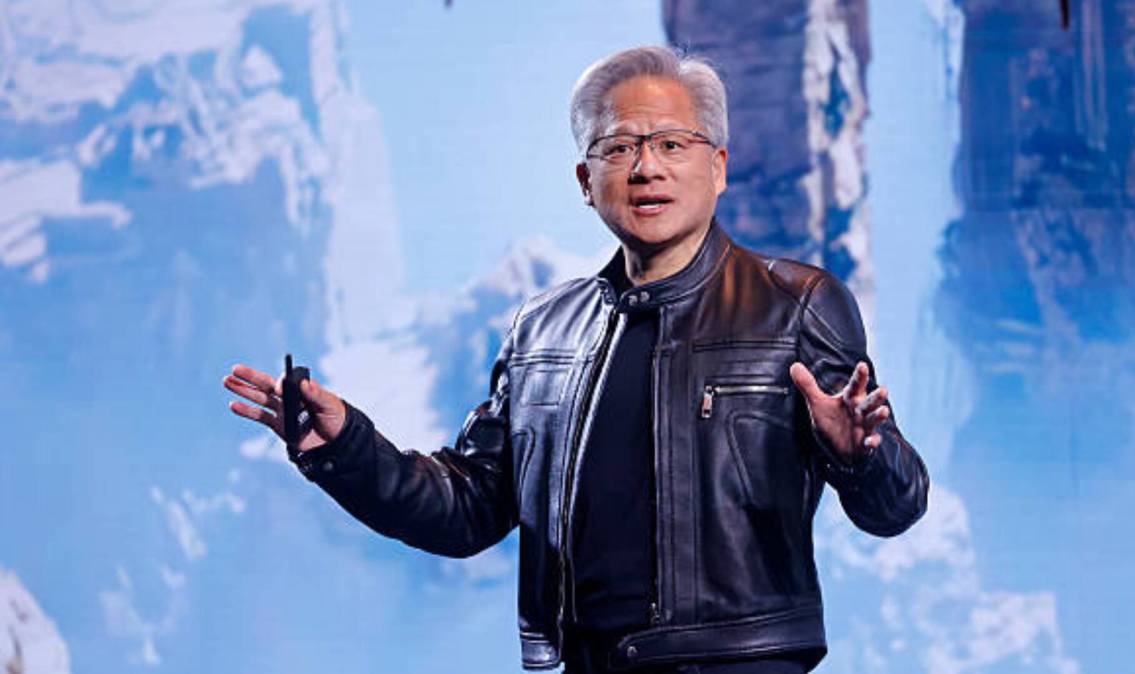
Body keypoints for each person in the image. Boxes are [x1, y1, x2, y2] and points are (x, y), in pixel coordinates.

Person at [223, 46, 928, 673]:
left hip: (738, 662)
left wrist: (857, 456)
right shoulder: (543, 331)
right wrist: (344, 447)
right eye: (619, 148)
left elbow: (898, 504)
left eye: (671, 143)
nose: (646, 167)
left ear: (718, 167)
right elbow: (468, 509)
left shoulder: (796, 304)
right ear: (586, 181)